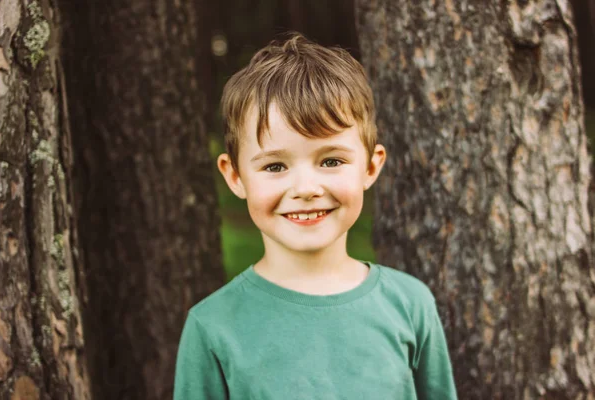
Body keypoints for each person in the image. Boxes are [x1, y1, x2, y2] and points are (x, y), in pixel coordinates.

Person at [173, 33, 457, 400]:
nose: (306, 187)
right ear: (235, 176)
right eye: (275, 166)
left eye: (331, 161)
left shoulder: (410, 305)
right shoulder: (211, 328)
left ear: (371, 167)